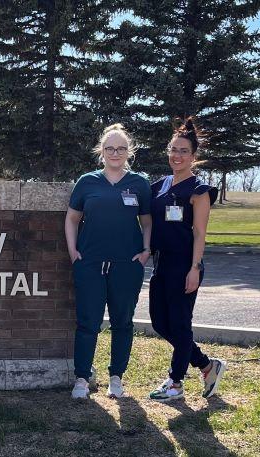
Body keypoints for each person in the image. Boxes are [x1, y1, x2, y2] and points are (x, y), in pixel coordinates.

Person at [65, 124, 152, 400]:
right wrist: (73, 251)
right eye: (110, 148)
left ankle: (116, 377)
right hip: (90, 262)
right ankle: (82, 378)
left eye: (121, 148)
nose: (116, 153)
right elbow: (71, 219)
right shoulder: (87, 182)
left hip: (127, 264)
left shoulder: (139, 183)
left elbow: (147, 222)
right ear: (101, 152)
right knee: (88, 321)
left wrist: (146, 251)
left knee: (122, 322)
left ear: (129, 152)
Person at [147, 118, 226, 402]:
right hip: (161, 262)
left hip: (185, 264)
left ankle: (176, 383)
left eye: (183, 151)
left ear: (193, 156)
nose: (176, 155)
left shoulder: (199, 190)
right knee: (160, 322)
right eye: (173, 150)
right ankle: (207, 365)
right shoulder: (159, 184)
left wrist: (194, 268)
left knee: (180, 325)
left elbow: (199, 234)